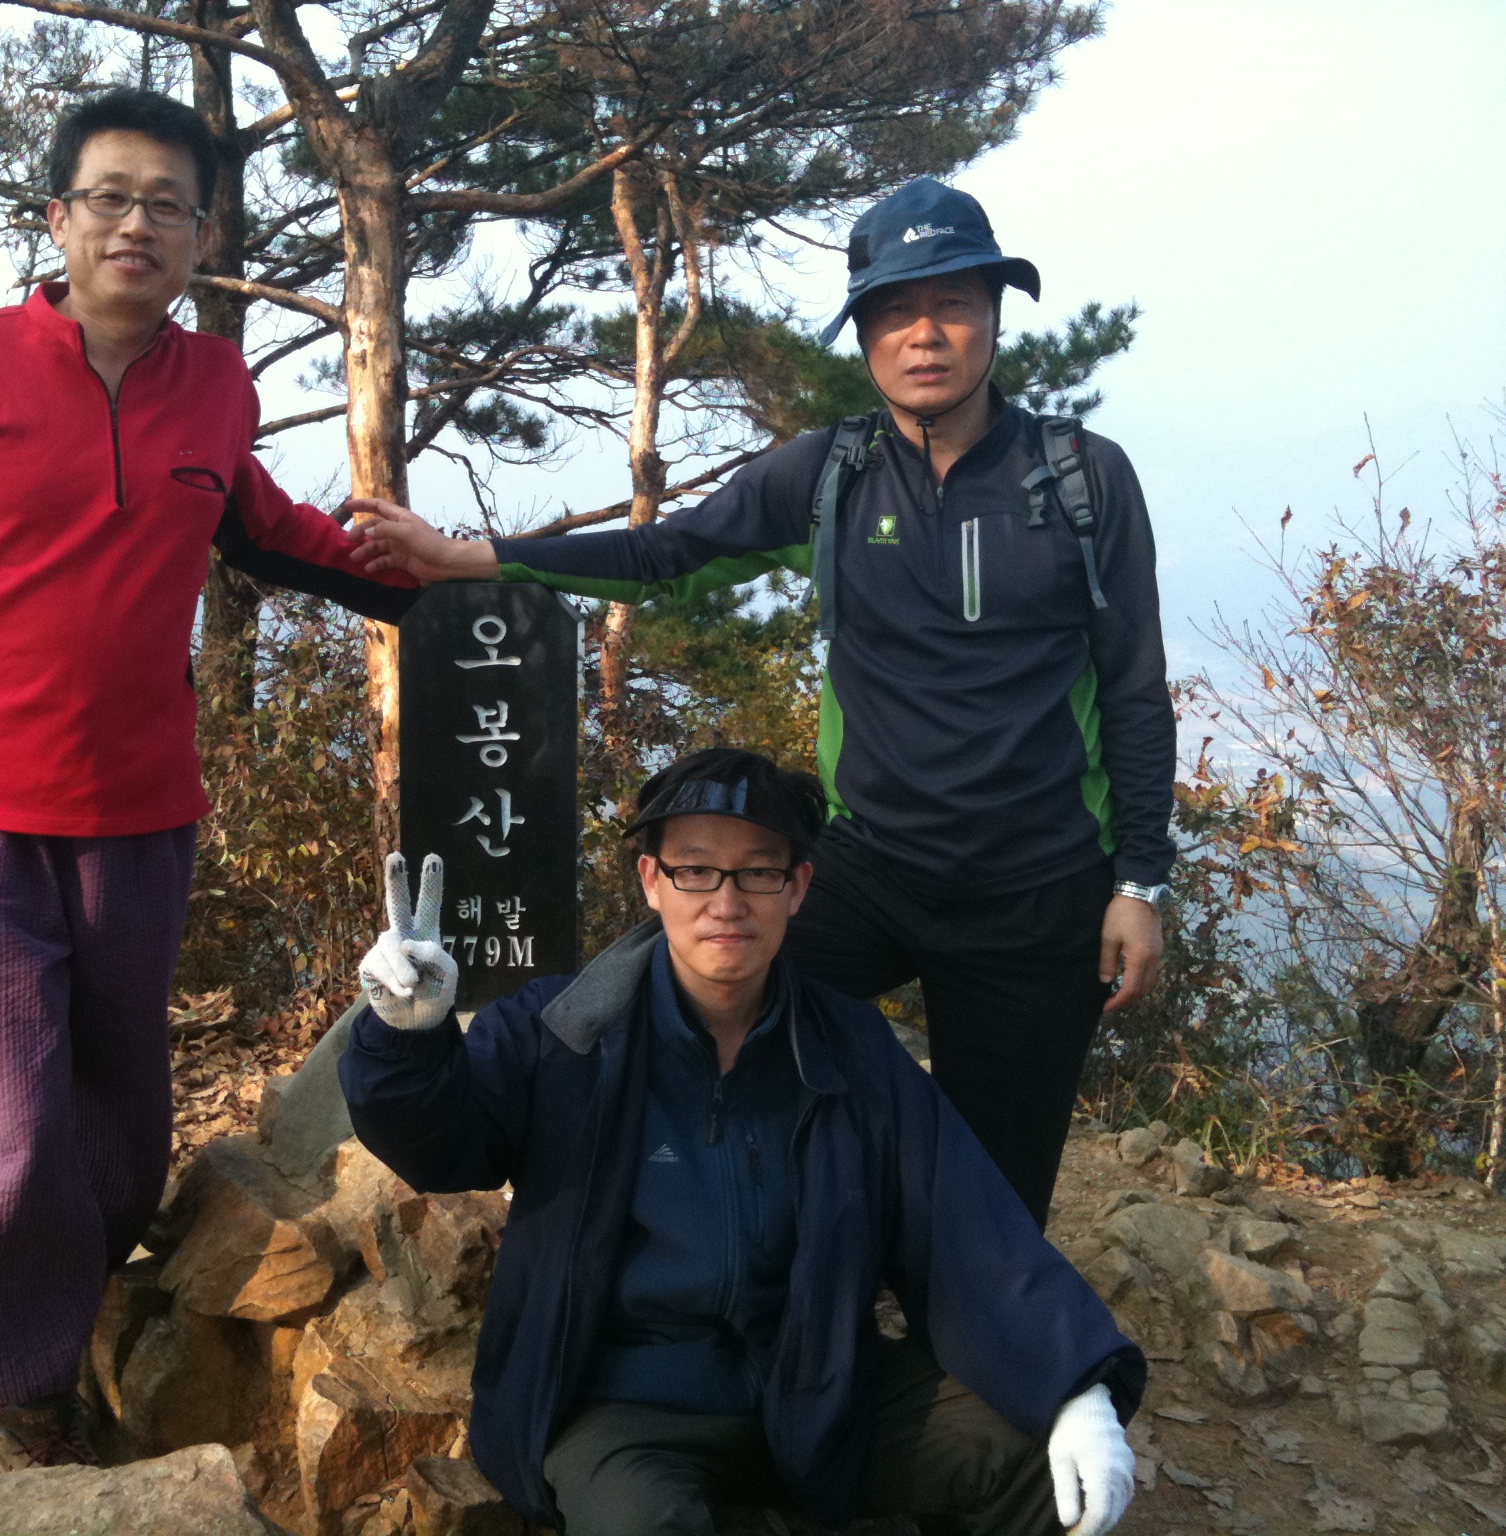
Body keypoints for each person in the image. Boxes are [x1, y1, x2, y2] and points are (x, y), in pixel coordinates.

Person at [347, 176, 1174, 1228]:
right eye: (894, 310)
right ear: (864, 336)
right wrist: (473, 558)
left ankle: (947, 1318)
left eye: (953, 303)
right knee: (664, 989)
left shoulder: (1081, 479)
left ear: (994, 315)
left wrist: (1137, 883)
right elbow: (667, 553)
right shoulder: (829, 477)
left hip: (1038, 888)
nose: (925, 334)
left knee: (994, 1203)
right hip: (867, 869)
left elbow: (1133, 687)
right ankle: (654, 1227)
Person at [0, 88, 416, 1468]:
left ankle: (78, 1301)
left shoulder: (213, 382)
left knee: (118, 1109)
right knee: (1, 1121)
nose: (136, 224)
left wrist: (418, 572)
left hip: (142, 810)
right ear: (58, 217)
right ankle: (24, 1392)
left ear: (201, 235)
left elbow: (253, 519)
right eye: (109, 196)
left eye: (168, 204)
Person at [341, 749, 1142, 1536]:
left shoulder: (851, 1048)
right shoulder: (565, 1032)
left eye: (758, 872)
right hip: (621, 1406)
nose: (726, 902)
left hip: (818, 1385)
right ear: (652, 881)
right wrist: (408, 1038)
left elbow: (960, 1223)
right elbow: (444, 1147)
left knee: (1036, 1456)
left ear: (798, 888)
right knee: (642, 1523)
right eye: (695, 870)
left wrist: (1071, 1385)